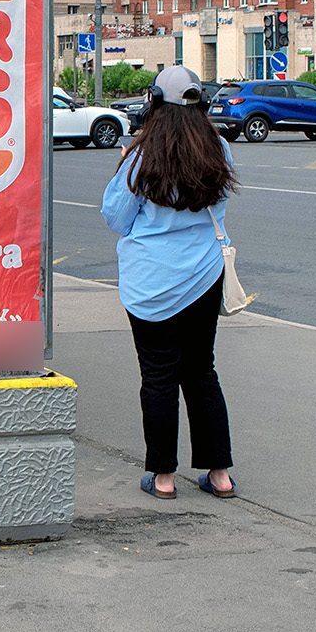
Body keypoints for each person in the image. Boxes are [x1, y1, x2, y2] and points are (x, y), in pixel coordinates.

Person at [102, 65, 239, 502]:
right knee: (201, 371)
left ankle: (162, 477)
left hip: (151, 283)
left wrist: (122, 167)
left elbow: (116, 218)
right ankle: (219, 475)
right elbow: (219, 205)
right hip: (203, 276)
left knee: (158, 375)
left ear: (155, 103)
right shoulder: (218, 148)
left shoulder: (142, 157)